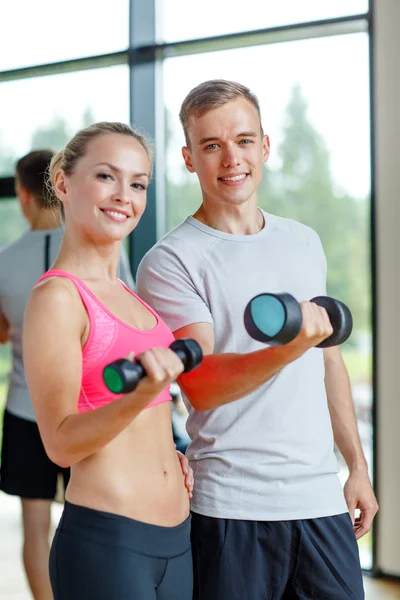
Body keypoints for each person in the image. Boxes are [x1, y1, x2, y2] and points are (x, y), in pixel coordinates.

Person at [136, 79, 379, 600]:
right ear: (188, 158)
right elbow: (200, 384)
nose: (232, 159)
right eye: (212, 145)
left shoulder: (302, 241)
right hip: (232, 508)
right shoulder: (171, 261)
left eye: (244, 140)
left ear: (264, 146)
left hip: (319, 502)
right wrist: (290, 346)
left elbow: (328, 360)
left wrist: (356, 466)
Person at [22, 122, 194, 600]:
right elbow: (60, 444)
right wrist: (136, 397)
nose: (124, 196)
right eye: (105, 177)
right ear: (62, 183)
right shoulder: (58, 298)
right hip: (110, 544)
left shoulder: (130, 294)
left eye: (138, 183)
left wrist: (173, 455)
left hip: (178, 538)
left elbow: (150, 420)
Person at [0, 149, 137, 600]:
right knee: (100, 520)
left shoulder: (4, 261)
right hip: (93, 411)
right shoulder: (99, 254)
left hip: (26, 412)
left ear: (22, 196)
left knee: (36, 526)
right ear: (61, 187)